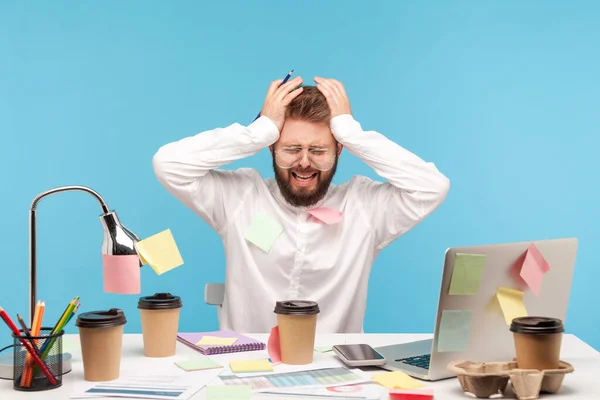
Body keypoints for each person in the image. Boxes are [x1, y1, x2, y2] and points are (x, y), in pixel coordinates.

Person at [152, 75, 450, 333]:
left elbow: (432, 187)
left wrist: (352, 132)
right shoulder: (240, 197)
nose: (304, 163)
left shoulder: (364, 206)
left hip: (337, 373)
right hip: (246, 370)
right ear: (271, 146)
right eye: (292, 149)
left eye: (318, 150)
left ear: (340, 150)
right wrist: (259, 130)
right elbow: (168, 164)